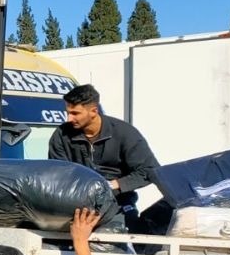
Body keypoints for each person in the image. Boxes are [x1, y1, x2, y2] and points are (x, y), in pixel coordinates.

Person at [47, 84, 159, 231]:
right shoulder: (61, 135)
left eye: (75, 113)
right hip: (75, 209)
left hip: (118, 208)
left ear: (94, 111)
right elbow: (58, 174)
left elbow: (150, 170)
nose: (69, 118)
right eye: (68, 112)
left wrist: (113, 185)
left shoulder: (124, 133)